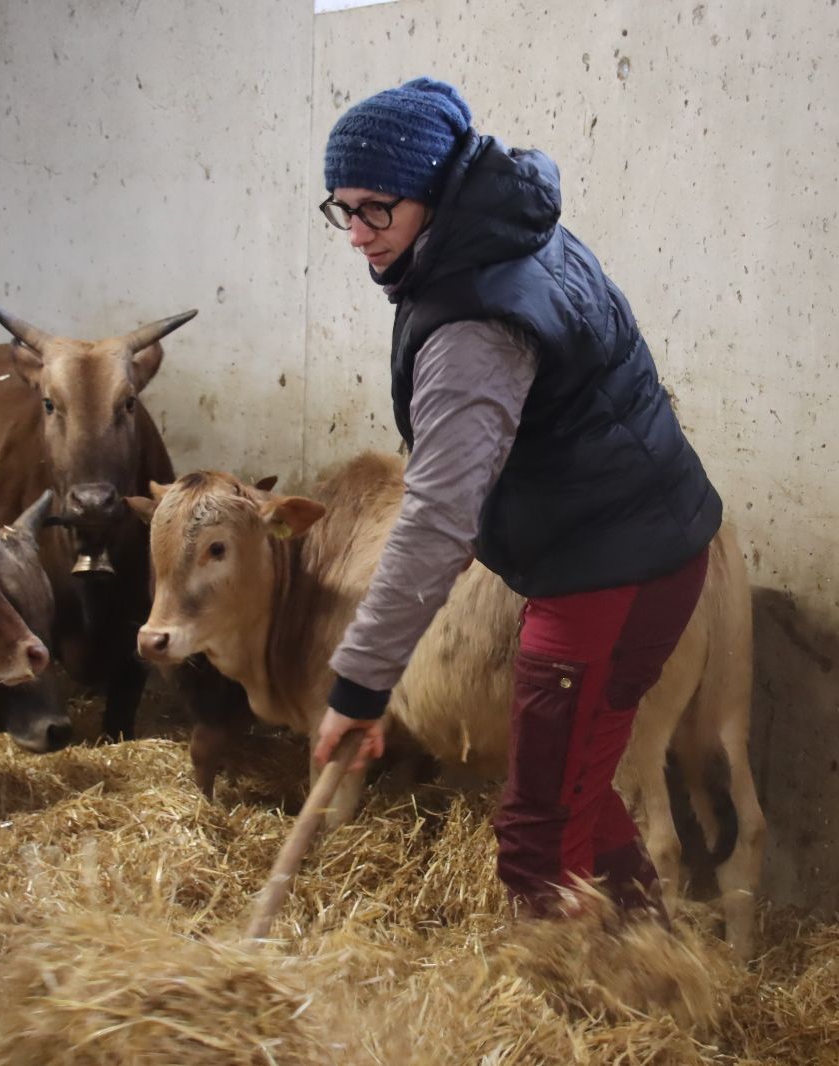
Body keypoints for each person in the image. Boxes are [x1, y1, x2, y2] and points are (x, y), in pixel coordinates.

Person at [311, 77, 722, 924]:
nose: (355, 235)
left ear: (433, 189)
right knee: (578, 784)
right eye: (339, 209)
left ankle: (572, 1016)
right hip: (651, 543)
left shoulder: (472, 322)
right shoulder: (513, 230)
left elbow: (437, 521)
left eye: (376, 210)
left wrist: (357, 689)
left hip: (603, 574)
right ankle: (650, 965)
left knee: (537, 836)